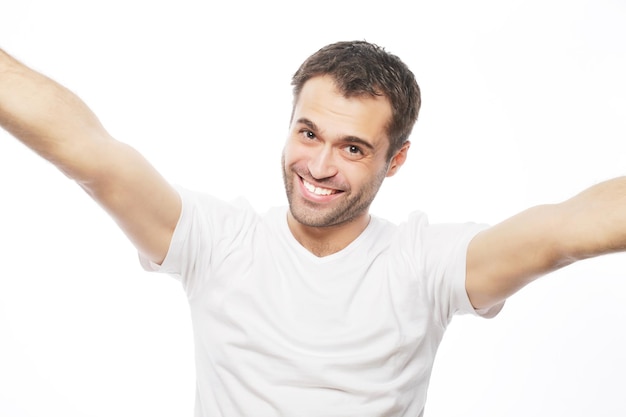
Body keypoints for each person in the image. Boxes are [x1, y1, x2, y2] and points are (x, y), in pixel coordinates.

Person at [1, 40, 624, 416]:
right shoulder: (218, 242)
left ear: (395, 159)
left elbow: (564, 231)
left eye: (353, 148)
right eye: (308, 133)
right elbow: (90, 154)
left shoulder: (426, 264)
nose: (319, 168)